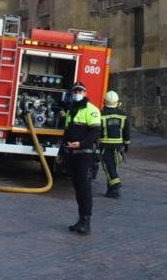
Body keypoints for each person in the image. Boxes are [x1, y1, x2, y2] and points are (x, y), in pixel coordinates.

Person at [61, 81, 101, 234]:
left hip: (85, 154)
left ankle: (86, 221)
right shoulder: (71, 110)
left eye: (80, 91)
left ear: (85, 93)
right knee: (78, 188)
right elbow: (66, 133)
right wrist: (61, 153)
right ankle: (80, 219)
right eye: (75, 91)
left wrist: (81, 144)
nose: (77, 93)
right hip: (73, 155)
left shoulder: (91, 110)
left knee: (84, 188)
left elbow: (95, 132)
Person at [99, 90, 131, 199]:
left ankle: (115, 186)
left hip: (105, 145)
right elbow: (126, 132)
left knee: (108, 167)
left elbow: (98, 130)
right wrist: (126, 145)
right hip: (118, 146)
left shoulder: (101, 114)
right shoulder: (123, 115)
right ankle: (111, 189)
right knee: (113, 166)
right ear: (117, 102)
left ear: (104, 101)